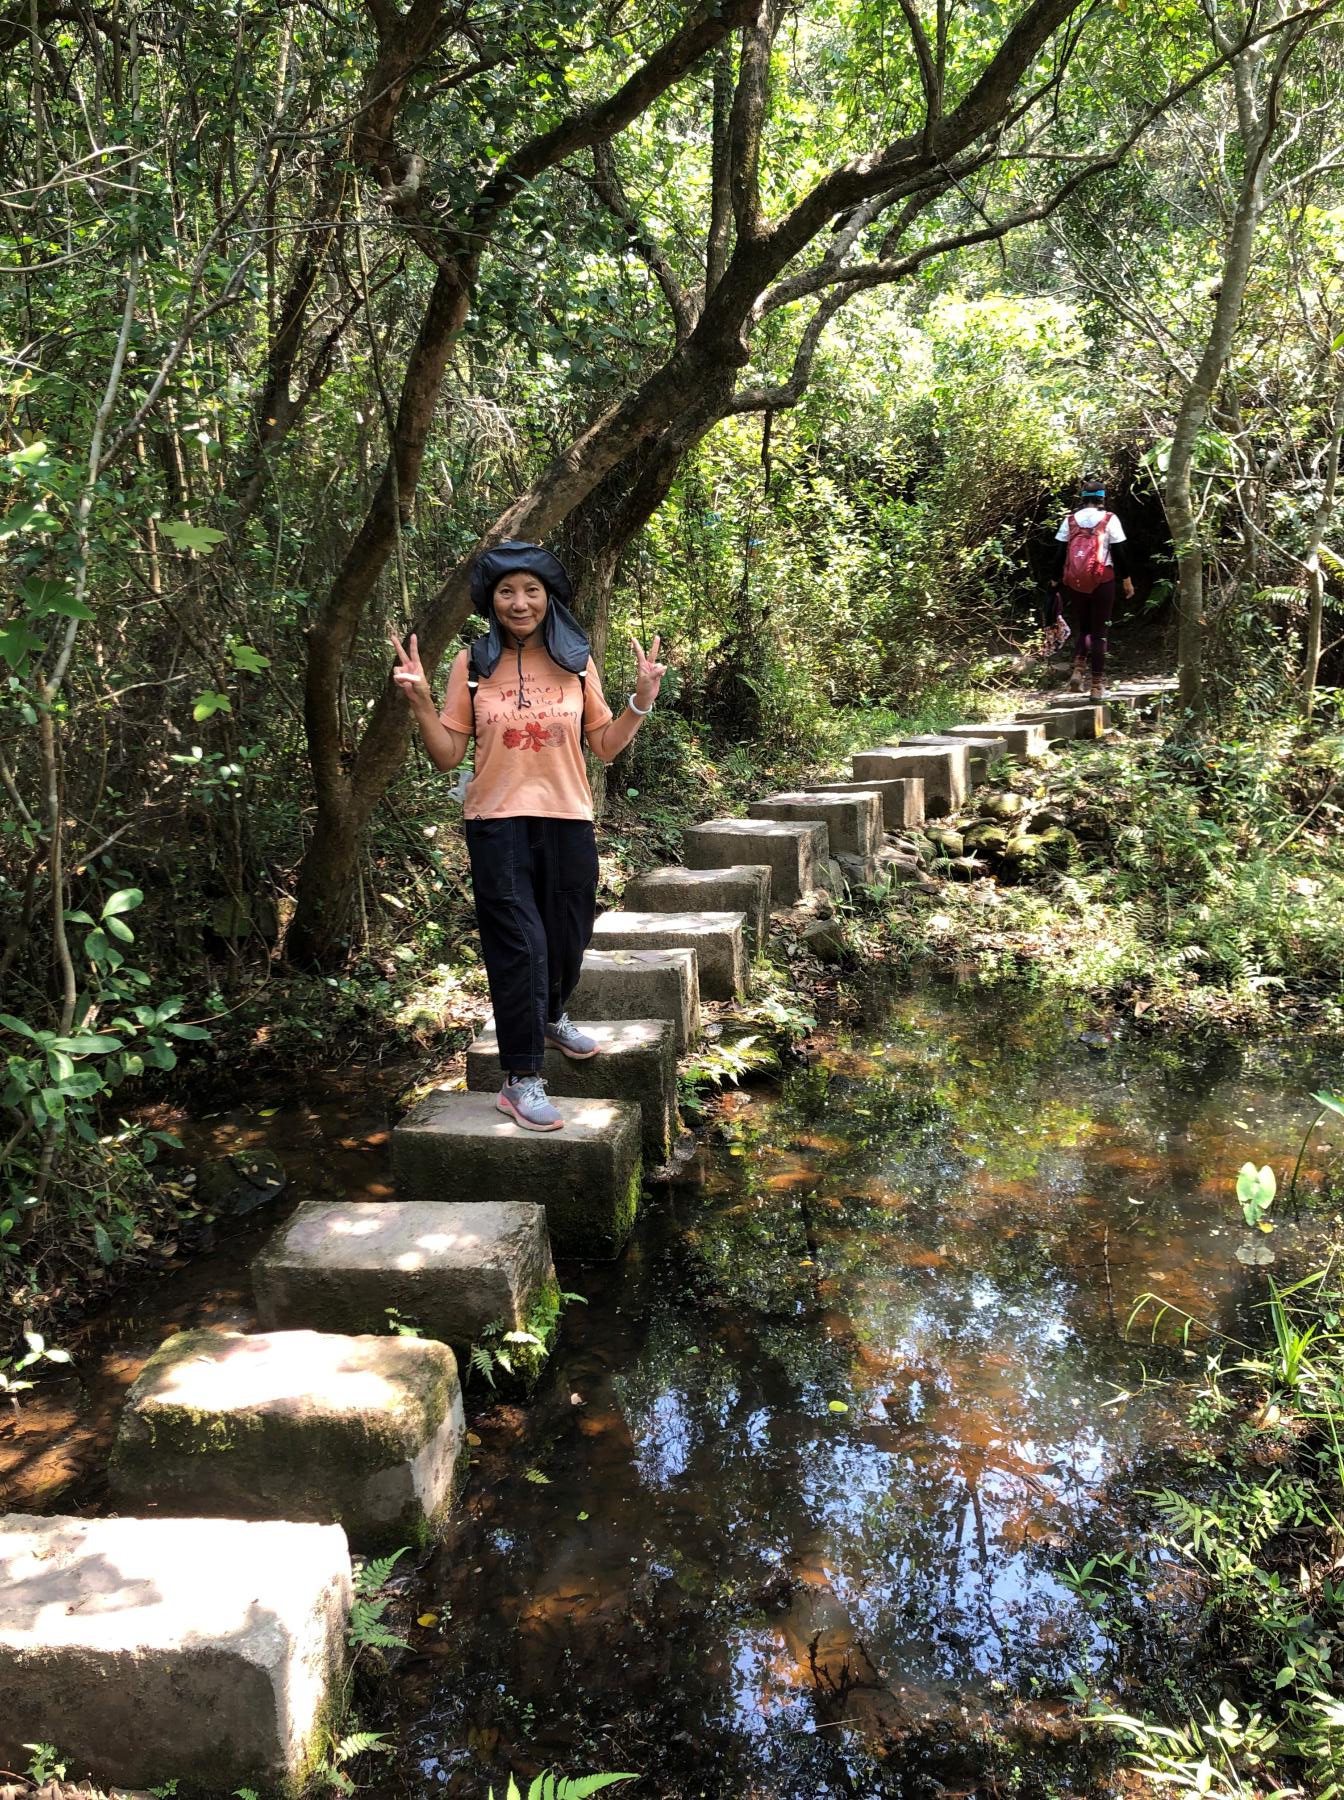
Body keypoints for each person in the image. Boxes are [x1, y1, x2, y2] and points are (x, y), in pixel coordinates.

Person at [391, 541, 667, 1131]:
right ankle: (520, 1078)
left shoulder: (577, 662)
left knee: (569, 936)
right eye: (507, 592)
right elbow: (447, 756)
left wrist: (641, 702)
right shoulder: (473, 663)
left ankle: (551, 1015)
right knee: (522, 944)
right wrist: (418, 702)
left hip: (568, 816)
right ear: (491, 601)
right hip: (496, 822)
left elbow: (604, 746)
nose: (519, 603)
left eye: (531, 591)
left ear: (549, 598)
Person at [1050, 478, 1134, 698]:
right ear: (1102, 499)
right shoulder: (1109, 519)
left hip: (1076, 581)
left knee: (1085, 627)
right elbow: (1120, 553)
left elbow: (1059, 552)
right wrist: (1126, 580)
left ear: (1083, 499)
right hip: (1102, 580)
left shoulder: (1070, 520)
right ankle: (1097, 686)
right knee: (1100, 633)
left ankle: (1078, 671)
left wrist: (1054, 580)